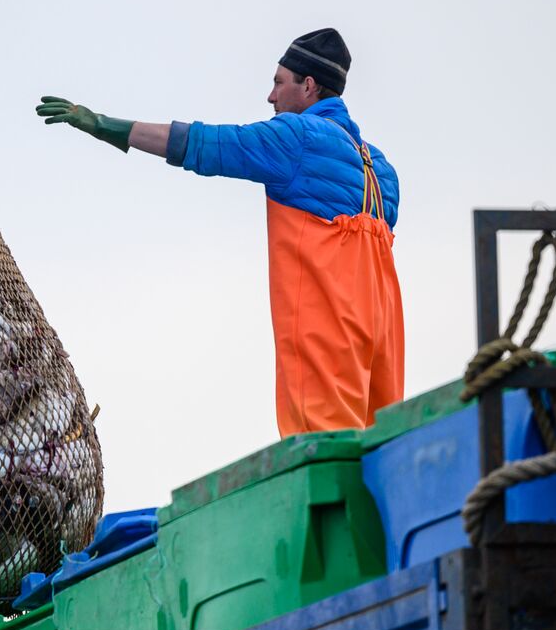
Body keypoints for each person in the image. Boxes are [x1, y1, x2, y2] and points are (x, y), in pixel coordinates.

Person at [37, 28, 404, 436]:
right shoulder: (382, 170)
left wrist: (104, 125)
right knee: (381, 447)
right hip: (380, 337)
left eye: (278, 82)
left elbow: (203, 144)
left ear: (309, 85)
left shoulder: (296, 139)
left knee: (323, 451)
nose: (270, 97)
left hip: (328, 330)